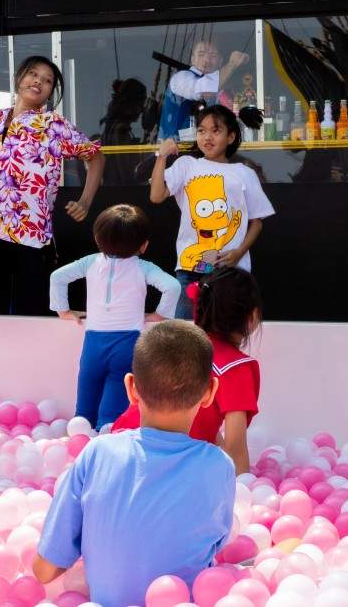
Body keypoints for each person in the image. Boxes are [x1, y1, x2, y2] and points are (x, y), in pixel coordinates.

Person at [32, 321, 235, 605]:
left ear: (131, 388)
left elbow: (45, 569)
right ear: (210, 392)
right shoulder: (219, 465)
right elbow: (215, 542)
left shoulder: (97, 453)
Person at [0, 55, 104, 316]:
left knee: (30, 316)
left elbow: (96, 156)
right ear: (19, 77)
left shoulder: (54, 125)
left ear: (51, 92)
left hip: (30, 235)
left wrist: (85, 201)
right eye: (33, 74)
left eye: (47, 81)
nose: (39, 82)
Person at [109, 266, 264, 474]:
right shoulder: (236, 367)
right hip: (165, 463)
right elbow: (235, 454)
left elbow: (204, 423)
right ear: (252, 316)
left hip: (120, 445)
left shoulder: (180, 344)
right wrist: (247, 489)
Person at [48, 204, 180, 429]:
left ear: (98, 239)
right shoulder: (143, 267)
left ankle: (79, 439)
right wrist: (159, 315)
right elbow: (173, 286)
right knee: (111, 415)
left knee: (83, 409)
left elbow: (57, 277)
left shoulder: (89, 262)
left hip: (93, 344)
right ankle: (106, 435)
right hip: (127, 344)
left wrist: (63, 311)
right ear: (144, 246)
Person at [151, 105, 274, 319]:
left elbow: (257, 222)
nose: (207, 137)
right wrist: (161, 156)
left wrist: (238, 253)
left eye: (216, 131)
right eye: (201, 130)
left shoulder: (245, 173)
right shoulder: (186, 165)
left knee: (224, 327)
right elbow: (156, 195)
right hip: (190, 269)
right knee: (186, 332)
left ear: (231, 136)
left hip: (229, 269)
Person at [158, 39, 250, 138]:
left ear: (220, 61)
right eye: (201, 54)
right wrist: (232, 64)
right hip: (176, 150)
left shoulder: (224, 91)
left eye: (213, 55)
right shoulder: (181, 78)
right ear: (192, 59)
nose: (206, 60)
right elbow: (206, 88)